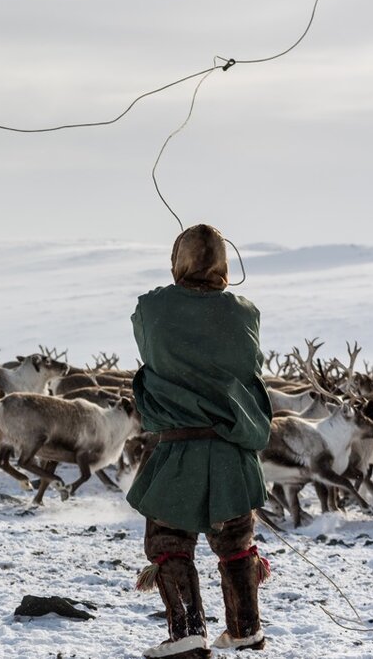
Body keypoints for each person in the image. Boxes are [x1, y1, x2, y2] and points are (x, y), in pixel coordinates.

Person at [126, 224, 272, 658]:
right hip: (233, 449)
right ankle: (246, 629)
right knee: (236, 541)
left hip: (179, 449)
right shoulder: (246, 312)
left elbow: (146, 336)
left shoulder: (153, 308)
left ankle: (187, 632)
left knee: (169, 540)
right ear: (226, 264)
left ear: (179, 262)